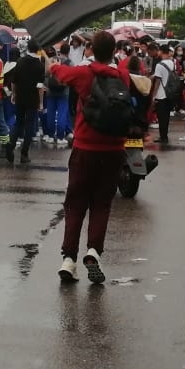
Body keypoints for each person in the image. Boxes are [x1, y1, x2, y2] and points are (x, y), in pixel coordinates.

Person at [48, 30, 131, 284]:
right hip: (114, 150)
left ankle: (68, 259)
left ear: (91, 50)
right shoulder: (122, 76)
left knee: (75, 204)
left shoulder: (84, 74)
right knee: (101, 204)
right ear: (114, 52)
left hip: (85, 148)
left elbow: (60, 74)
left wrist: (52, 65)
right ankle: (94, 251)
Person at [8, 40, 46, 164]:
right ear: (38, 49)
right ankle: (24, 154)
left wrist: (14, 94)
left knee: (18, 122)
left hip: (20, 97)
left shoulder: (20, 61)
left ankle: (11, 145)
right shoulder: (40, 65)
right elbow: (40, 86)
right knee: (30, 124)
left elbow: (14, 81)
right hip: (33, 99)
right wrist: (41, 102)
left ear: (28, 48)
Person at [151, 44, 175, 145]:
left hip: (161, 93)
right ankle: (164, 135)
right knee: (166, 116)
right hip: (170, 93)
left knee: (161, 117)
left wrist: (153, 95)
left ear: (161, 51)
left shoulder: (159, 65)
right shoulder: (172, 63)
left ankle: (163, 136)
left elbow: (157, 82)